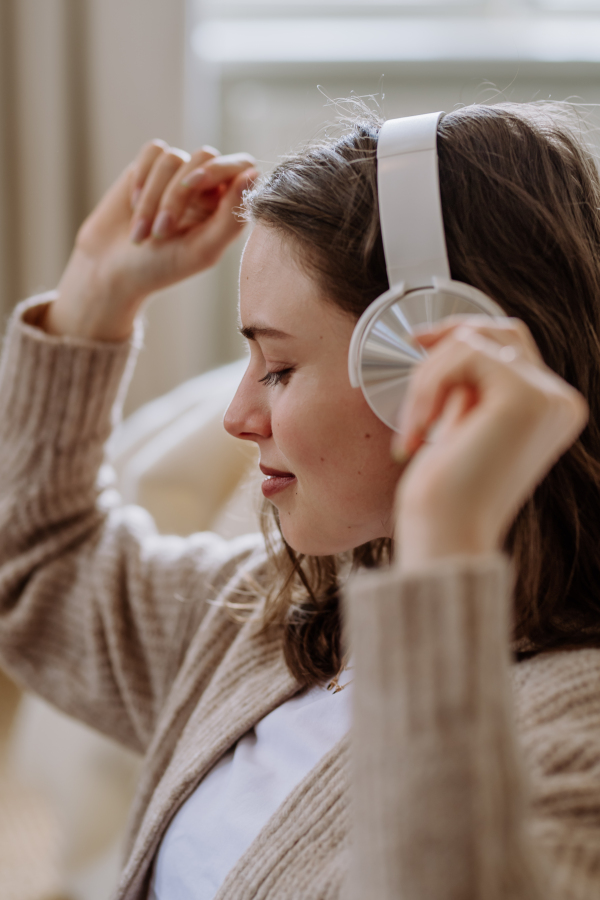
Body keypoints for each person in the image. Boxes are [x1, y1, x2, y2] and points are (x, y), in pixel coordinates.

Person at [0, 100, 599, 900]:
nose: (237, 417)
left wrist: (445, 542)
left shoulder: (577, 728)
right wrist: (95, 299)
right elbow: (39, 568)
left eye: (278, 369)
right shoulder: (274, 621)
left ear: (428, 358)